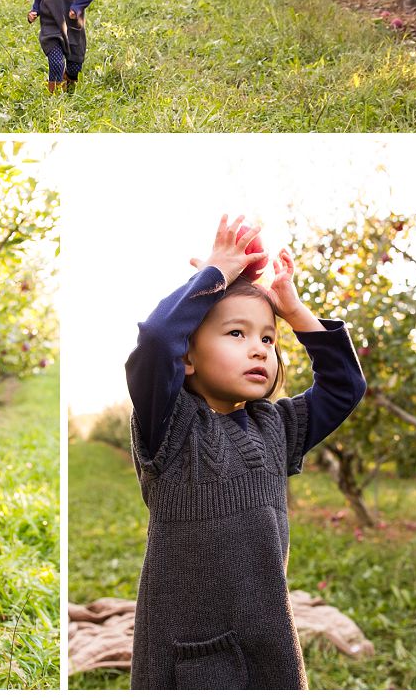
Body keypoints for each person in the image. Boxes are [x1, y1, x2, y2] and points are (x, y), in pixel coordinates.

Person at [125, 216, 367, 689]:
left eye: (268, 338)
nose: (258, 349)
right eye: (236, 333)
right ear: (187, 359)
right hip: (187, 650)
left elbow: (344, 386)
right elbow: (155, 340)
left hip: (268, 638)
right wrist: (215, 272)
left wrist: (294, 312)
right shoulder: (169, 428)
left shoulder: (276, 426)